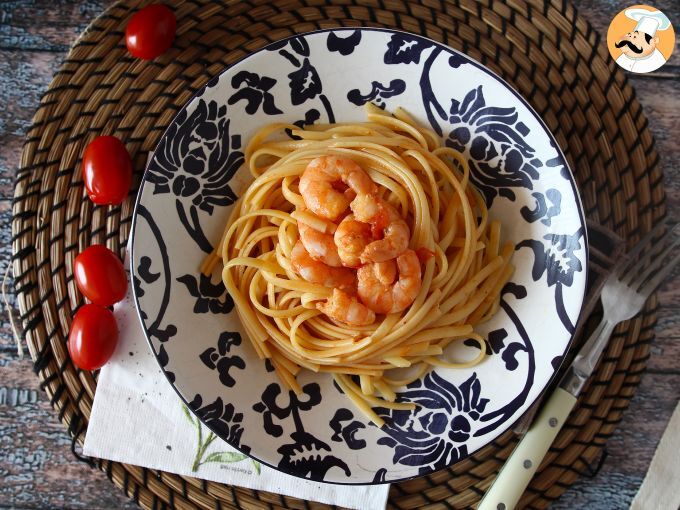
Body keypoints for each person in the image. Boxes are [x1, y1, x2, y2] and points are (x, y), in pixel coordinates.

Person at [614, 8, 671, 73]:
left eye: (635, 37)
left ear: (654, 41)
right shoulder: (623, 56)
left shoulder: (656, 62)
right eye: (629, 35)